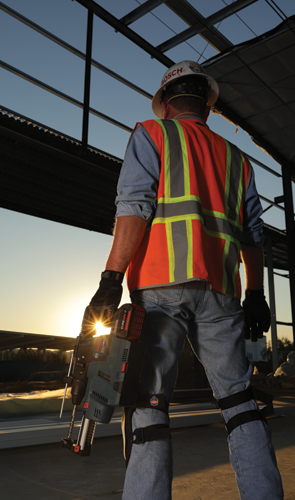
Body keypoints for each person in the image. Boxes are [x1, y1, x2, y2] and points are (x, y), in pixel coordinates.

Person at [88, 61, 284, 499]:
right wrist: (255, 293)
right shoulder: (237, 159)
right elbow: (253, 234)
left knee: (151, 403)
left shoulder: (152, 134)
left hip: (158, 287)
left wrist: (110, 279)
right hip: (220, 292)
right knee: (239, 403)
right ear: (207, 107)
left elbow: (134, 205)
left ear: (166, 105)